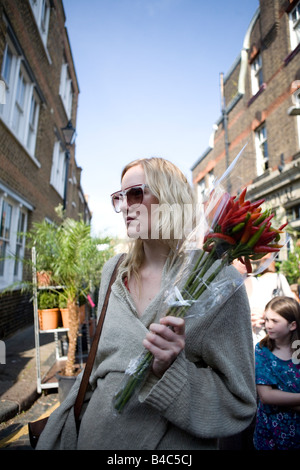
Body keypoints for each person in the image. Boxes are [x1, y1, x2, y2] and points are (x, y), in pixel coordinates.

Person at [37, 157, 256, 450]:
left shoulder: (216, 280)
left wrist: (170, 372)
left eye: (136, 194)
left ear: (171, 198)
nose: (125, 206)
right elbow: (98, 367)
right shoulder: (113, 271)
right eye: (120, 197)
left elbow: (239, 401)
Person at [253, 296, 300, 450]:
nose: (268, 325)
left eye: (275, 321)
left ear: (292, 325)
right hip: (271, 433)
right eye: (266, 320)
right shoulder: (262, 350)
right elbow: (266, 396)